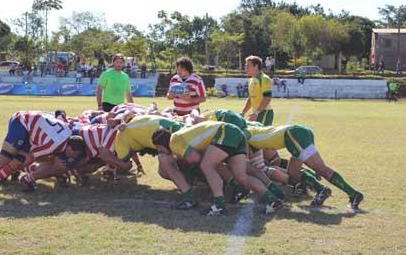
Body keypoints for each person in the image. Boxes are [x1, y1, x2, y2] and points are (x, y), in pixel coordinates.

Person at [153, 121, 283, 216]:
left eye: (159, 149)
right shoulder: (180, 134)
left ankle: (219, 205)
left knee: (207, 165)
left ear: (161, 144)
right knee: (241, 177)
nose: (160, 152)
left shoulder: (173, 141)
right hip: (234, 131)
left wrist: (175, 159)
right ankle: (273, 201)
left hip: (225, 132)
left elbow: (194, 158)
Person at [246, 123, 364, 209]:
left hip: (293, 135)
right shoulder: (251, 127)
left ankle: (353, 193)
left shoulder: (244, 132)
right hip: (297, 132)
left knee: (321, 168)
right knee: (293, 172)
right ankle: (322, 190)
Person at [0, 111, 74, 200]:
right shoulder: (51, 145)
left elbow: (60, 113)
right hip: (21, 121)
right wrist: (50, 159)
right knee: (5, 158)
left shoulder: (69, 129)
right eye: (73, 153)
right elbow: (33, 156)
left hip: (31, 128)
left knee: (17, 162)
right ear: (69, 148)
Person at [241, 55, 274, 126]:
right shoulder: (251, 80)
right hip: (256, 113)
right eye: (245, 66)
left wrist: (256, 113)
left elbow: (267, 98)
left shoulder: (264, 78)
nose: (245, 68)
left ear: (256, 66)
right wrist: (243, 112)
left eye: (248, 66)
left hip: (265, 113)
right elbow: (251, 98)